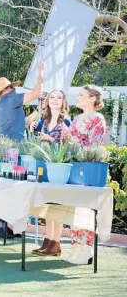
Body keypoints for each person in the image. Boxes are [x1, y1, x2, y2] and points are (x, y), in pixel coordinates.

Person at [0, 64, 45, 239]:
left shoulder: (4, 105)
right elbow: (36, 93)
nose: (14, 89)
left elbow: (23, 122)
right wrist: (41, 76)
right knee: (10, 188)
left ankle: (2, 226)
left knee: (7, 187)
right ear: (6, 90)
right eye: (11, 87)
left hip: (6, 151)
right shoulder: (12, 99)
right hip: (12, 151)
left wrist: (39, 109)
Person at [62, 85, 106, 264]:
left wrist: (75, 142)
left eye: (81, 95)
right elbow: (70, 141)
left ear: (92, 99)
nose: (78, 97)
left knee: (85, 210)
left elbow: (94, 146)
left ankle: (86, 250)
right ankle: (76, 248)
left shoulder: (98, 118)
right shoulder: (77, 118)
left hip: (89, 169)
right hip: (75, 167)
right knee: (75, 209)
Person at [30, 90, 71, 257]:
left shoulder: (67, 121)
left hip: (59, 168)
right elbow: (34, 141)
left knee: (57, 205)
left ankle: (56, 243)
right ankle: (48, 240)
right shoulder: (43, 121)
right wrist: (32, 129)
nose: (55, 100)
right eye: (52, 97)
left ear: (63, 102)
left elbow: (69, 146)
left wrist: (51, 139)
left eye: (59, 97)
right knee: (47, 205)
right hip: (45, 167)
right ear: (47, 101)